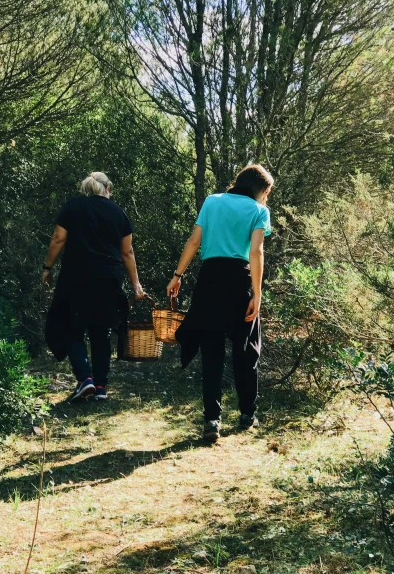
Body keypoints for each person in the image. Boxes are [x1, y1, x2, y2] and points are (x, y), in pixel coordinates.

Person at [168, 164, 273, 442]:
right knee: (246, 350)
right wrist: (257, 294)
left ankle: (211, 421)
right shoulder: (259, 211)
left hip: (210, 281)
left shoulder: (212, 202)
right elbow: (256, 252)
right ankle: (247, 414)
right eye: (267, 192)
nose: (266, 198)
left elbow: (193, 241)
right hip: (240, 281)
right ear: (259, 189)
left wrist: (177, 276)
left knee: (212, 353)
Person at [43, 172, 145, 402]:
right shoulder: (118, 212)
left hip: (76, 278)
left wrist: (47, 267)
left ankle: (84, 379)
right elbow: (127, 252)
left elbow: (58, 239)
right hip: (109, 279)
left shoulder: (73, 207)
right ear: (107, 188)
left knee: (71, 328)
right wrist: (136, 286)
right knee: (101, 332)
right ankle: (100, 387)